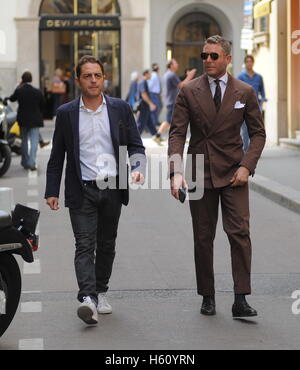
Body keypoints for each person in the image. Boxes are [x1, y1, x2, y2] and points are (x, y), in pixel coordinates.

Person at [168, 35, 266, 318]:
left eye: (213, 56)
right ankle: (207, 296)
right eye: (204, 56)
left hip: (235, 172)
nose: (207, 60)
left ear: (227, 59)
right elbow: (177, 133)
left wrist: (247, 166)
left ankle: (241, 298)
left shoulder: (245, 91)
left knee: (240, 234)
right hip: (199, 171)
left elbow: (258, 134)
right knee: (202, 237)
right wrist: (175, 172)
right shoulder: (189, 91)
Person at [45, 55, 146, 325]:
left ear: (104, 78)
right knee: (84, 245)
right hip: (82, 189)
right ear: (78, 80)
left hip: (112, 187)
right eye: (87, 76)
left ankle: (101, 291)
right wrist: (52, 190)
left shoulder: (120, 109)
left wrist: (138, 168)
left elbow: (136, 145)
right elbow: (57, 156)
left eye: (97, 75)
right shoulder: (66, 113)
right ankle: (87, 298)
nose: (93, 80)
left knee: (107, 245)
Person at [7, 71, 44, 170]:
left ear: (22, 79)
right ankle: (32, 162)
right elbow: (42, 105)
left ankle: (25, 162)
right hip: (35, 120)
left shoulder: (19, 90)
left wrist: (19, 86)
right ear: (31, 79)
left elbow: (12, 99)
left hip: (23, 120)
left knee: (24, 141)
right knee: (34, 141)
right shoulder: (37, 91)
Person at [157, 59, 196, 140]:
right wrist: (190, 76)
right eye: (176, 63)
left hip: (170, 100)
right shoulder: (171, 75)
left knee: (172, 121)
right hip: (172, 101)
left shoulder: (168, 74)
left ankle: (159, 135)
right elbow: (181, 85)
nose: (177, 64)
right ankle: (159, 135)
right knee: (171, 121)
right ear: (171, 65)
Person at [238, 55, 267, 152]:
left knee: (256, 130)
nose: (249, 63)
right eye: (247, 62)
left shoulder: (259, 77)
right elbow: (237, 91)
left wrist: (263, 99)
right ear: (245, 63)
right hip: (244, 107)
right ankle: (246, 150)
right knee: (245, 130)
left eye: (250, 61)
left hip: (256, 107)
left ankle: (254, 150)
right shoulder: (240, 77)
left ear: (253, 63)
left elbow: (262, 91)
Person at [137, 69, 162, 145]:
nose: (151, 75)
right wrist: (151, 104)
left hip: (145, 105)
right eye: (150, 74)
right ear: (146, 74)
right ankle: (134, 139)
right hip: (144, 105)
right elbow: (143, 94)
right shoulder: (143, 82)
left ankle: (156, 136)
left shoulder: (144, 82)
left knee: (149, 122)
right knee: (141, 124)